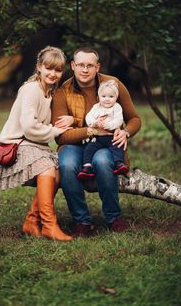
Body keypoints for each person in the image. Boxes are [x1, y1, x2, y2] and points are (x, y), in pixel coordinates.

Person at [51, 47, 141, 237]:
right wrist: (90, 129)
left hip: (106, 142)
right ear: (73, 66)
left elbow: (135, 119)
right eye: (81, 65)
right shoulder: (62, 92)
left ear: (97, 67)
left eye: (90, 65)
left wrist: (126, 132)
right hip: (74, 144)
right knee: (66, 164)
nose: (85, 69)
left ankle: (113, 217)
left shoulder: (113, 84)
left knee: (101, 161)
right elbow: (61, 137)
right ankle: (81, 221)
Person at [0, 46, 73, 241]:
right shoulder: (30, 89)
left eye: (58, 70)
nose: (53, 74)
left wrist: (67, 121)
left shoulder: (49, 92)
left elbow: (48, 122)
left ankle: (31, 220)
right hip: (17, 143)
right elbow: (29, 127)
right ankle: (49, 225)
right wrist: (55, 131)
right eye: (49, 68)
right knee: (47, 168)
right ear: (39, 67)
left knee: (59, 173)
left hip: (36, 145)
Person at [77, 79, 129, 180]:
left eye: (111, 96)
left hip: (111, 136)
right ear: (99, 96)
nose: (107, 99)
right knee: (89, 149)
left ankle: (119, 164)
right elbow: (88, 117)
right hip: (97, 137)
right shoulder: (96, 107)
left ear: (116, 97)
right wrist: (94, 123)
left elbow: (119, 120)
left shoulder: (117, 107)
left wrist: (108, 125)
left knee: (117, 147)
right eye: (104, 96)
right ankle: (87, 167)